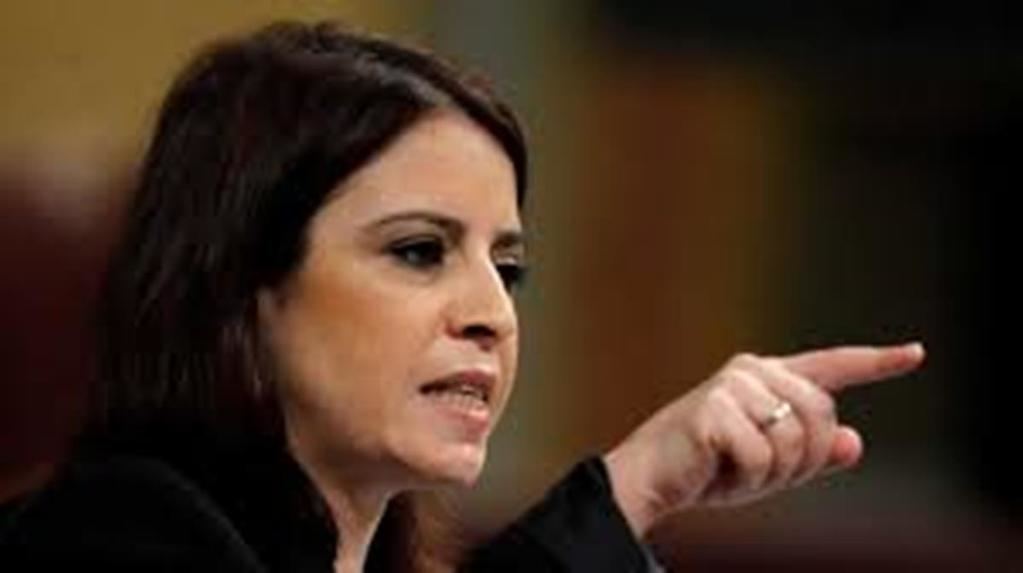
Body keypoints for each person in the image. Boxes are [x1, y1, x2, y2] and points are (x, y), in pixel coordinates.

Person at [0, 21, 925, 572]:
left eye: (507, 265)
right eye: (418, 251)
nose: (492, 312)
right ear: (241, 287)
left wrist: (643, 481)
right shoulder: (115, 535)